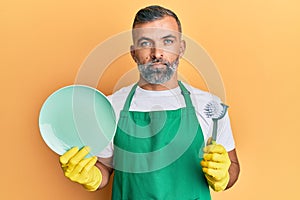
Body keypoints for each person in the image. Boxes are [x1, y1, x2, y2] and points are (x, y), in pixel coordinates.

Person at [59, 5, 240, 199]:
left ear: (181, 48)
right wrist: (91, 176)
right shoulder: (110, 106)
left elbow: (233, 168)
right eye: (145, 43)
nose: (156, 53)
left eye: (167, 41)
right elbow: (104, 167)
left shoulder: (210, 107)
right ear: (133, 52)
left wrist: (223, 176)